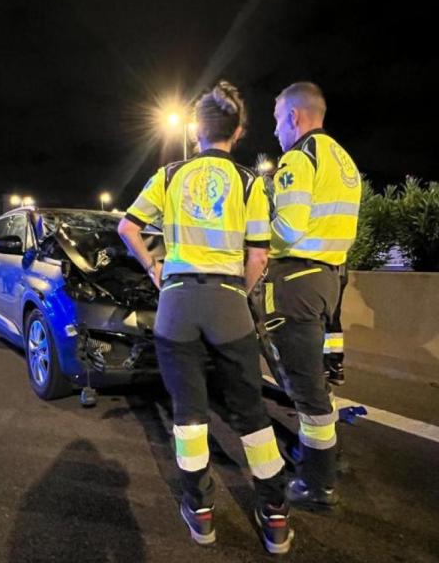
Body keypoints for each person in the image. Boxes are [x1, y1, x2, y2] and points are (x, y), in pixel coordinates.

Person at [118, 81, 292, 555]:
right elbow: (258, 256)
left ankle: (200, 512)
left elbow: (128, 227)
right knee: (251, 413)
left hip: (177, 302)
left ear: (196, 130)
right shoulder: (250, 183)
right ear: (237, 133)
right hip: (228, 301)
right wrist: (238, 293)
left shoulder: (170, 175)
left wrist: (154, 267)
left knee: (189, 415)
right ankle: (275, 517)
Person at [263, 82, 362, 510]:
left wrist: (254, 243)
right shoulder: (343, 159)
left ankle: (316, 484)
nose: (275, 131)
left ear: (294, 117)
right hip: (329, 279)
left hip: (297, 282)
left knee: (304, 388)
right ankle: (327, 456)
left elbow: (287, 229)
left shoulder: (299, 158)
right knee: (316, 380)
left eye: (276, 121)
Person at [323, 265, 348, 385]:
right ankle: (335, 364)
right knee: (333, 318)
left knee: (318, 318)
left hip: (322, 273)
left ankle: (322, 364)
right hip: (339, 273)